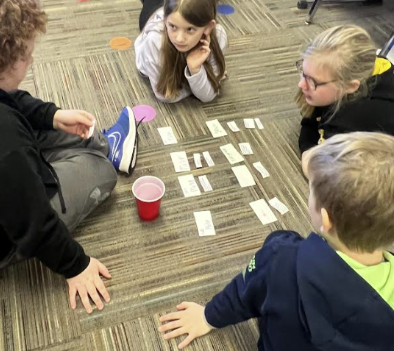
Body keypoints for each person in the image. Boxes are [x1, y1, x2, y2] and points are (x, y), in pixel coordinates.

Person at [0, 0, 138, 314]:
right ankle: (89, 156)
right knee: (102, 169)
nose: (32, 60)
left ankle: (69, 153)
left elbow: (8, 98)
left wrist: (52, 115)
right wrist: (76, 266)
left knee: (80, 131)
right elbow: (31, 221)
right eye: (25, 56)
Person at [158, 131, 394, 350]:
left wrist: (207, 317)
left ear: (326, 219)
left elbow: (244, 291)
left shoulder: (282, 258)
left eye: (311, 190)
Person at [123, 0, 237, 102]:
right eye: (173, 27)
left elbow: (208, 96)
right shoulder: (154, 41)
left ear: (208, 27)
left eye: (190, 29)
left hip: (174, 15)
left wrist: (195, 69)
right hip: (155, 18)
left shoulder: (219, 36)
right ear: (166, 21)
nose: (179, 38)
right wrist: (204, 79)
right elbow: (166, 95)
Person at [295, 25, 394, 174]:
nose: (301, 84)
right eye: (303, 72)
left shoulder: (350, 119)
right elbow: (310, 121)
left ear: (350, 86)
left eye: (313, 81)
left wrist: (309, 155)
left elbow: (329, 174)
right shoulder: (367, 66)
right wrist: (308, 149)